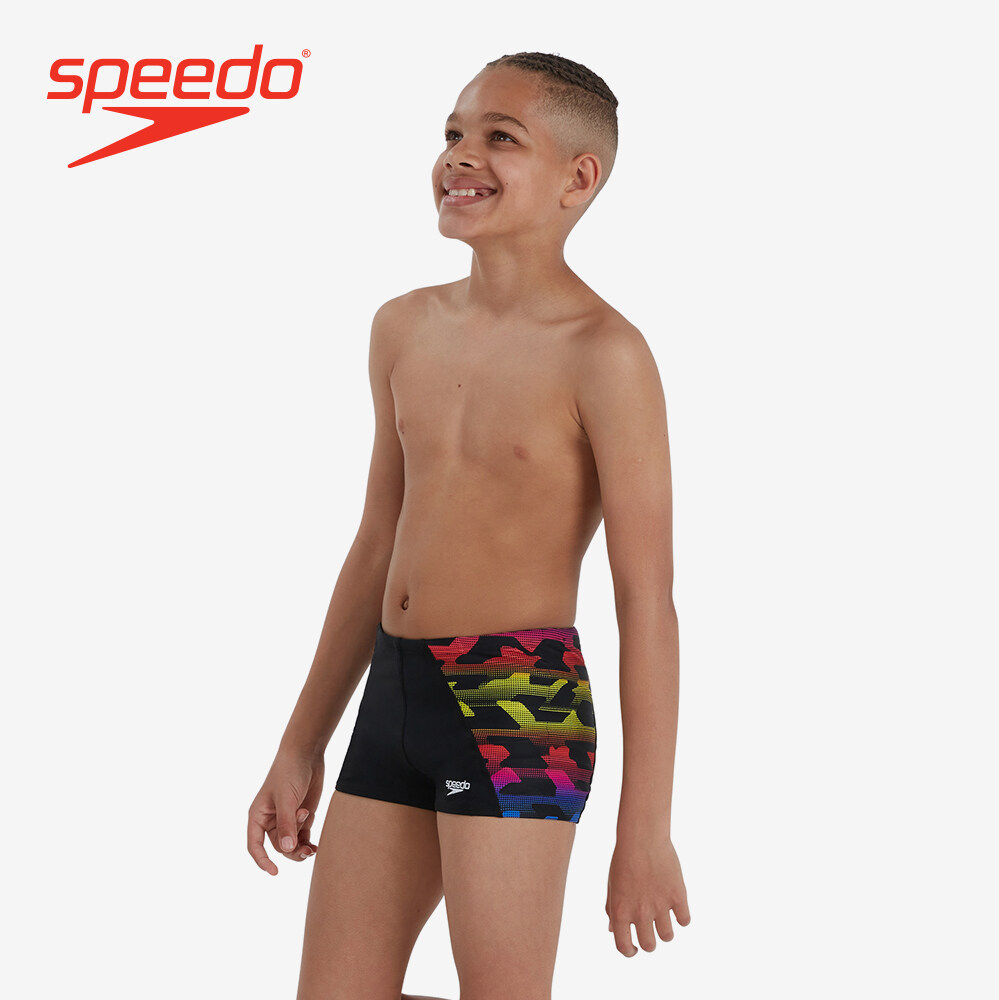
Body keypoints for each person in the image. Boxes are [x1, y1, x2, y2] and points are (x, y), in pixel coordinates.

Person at [246, 50, 690, 1000]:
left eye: (500, 137)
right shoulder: (401, 327)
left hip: (518, 696)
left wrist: (644, 829)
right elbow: (377, 543)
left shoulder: (605, 356)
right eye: (452, 132)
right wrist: (300, 740)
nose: (460, 154)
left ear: (578, 178)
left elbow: (647, 599)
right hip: (395, 688)